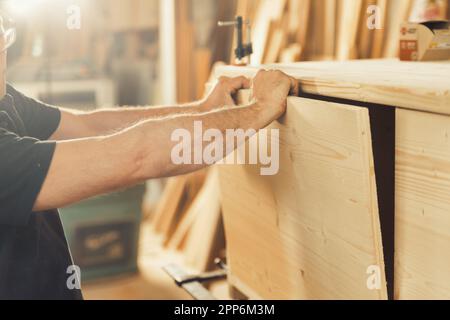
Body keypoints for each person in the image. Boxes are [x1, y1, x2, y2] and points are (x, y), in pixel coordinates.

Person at [0, 17, 298, 299]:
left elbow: (89, 125)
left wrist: (203, 109)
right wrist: (259, 110)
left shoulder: (5, 99)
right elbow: (137, 155)